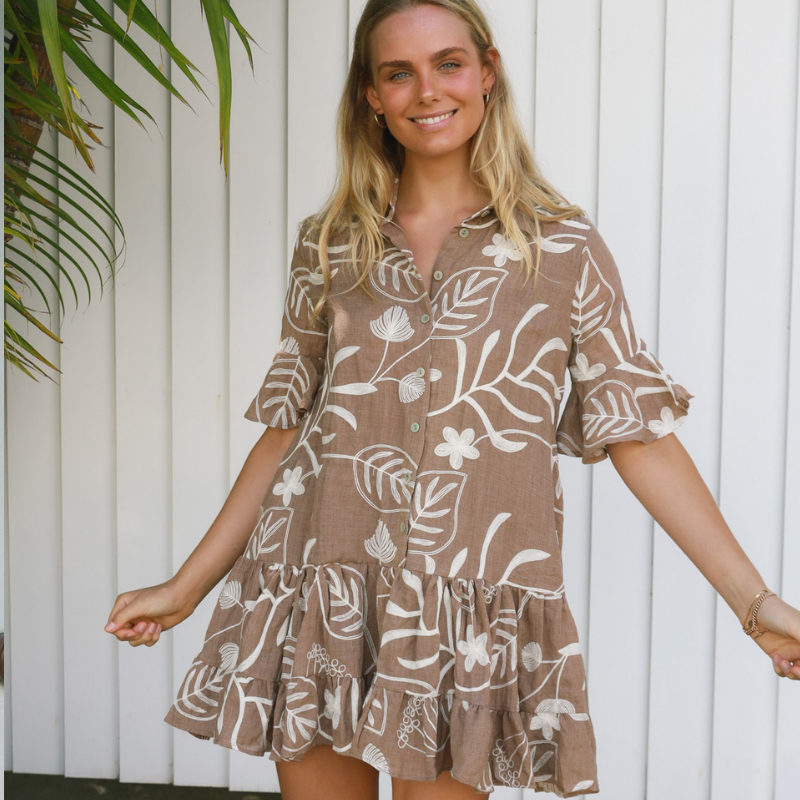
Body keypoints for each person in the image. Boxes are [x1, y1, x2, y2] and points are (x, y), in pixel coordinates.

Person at [105, 1, 800, 798]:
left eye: (448, 64)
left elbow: (638, 437)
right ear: (371, 95)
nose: (427, 91)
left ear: (487, 72)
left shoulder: (562, 248)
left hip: (461, 612)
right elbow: (287, 432)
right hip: (320, 583)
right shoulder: (329, 243)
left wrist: (757, 606)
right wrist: (186, 587)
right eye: (398, 73)